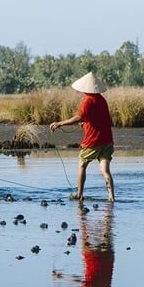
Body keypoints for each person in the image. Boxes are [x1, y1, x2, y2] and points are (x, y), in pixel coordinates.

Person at [50, 72, 115, 202]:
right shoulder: (102, 100)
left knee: (81, 164)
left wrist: (59, 123)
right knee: (105, 170)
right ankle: (111, 197)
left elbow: (79, 117)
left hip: (93, 141)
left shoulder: (87, 101)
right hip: (107, 140)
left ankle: (79, 195)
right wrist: (85, 124)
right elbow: (101, 119)